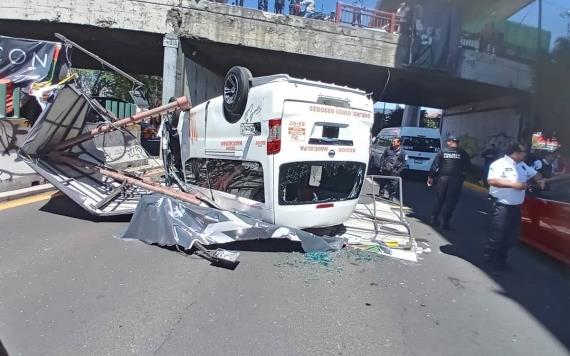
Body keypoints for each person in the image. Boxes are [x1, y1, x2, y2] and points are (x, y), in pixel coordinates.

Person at [485, 142, 546, 273]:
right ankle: (494, 261)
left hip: (515, 207)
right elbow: (492, 181)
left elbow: (535, 174)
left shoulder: (522, 165)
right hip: (501, 206)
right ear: (516, 153)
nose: (525, 155)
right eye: (524, 153)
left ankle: (500, 258)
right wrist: (513, 184)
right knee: (498, 236)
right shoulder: (499, 164)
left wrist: (539, 179)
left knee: (511, 237)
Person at [427, 135, 471, 230]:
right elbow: (468, 167)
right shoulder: (463, 153)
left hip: (442, 179)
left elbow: (435, 166)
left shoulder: (442, 152)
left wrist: (430, 177)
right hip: (456, 181)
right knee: (451, 202)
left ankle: (434, 219)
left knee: (439, 199)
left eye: (447, 141)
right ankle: (445, 222)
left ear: (450, 142)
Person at [377, 137, 406, 201]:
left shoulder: (403, 152)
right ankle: (381, 194)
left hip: (394, 172)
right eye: (392, 141)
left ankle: (391, 197)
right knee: (383, 183)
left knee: (393, 185)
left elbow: (404, 163)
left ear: (399, 143)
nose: (392, 142)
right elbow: (383, 157)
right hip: (386, 170)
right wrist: (381, 166)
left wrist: (398, 171)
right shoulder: (388, 149)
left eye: (394, 141)